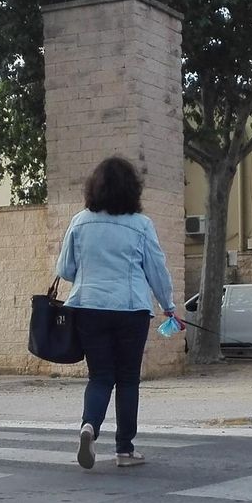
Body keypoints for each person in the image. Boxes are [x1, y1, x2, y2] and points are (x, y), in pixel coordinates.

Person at [56, 155, 175, 470]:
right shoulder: (141, 225)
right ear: (132, 191)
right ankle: (125, 450)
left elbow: (65, 269)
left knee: (99, 377)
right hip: (130, 309)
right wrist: (169, 305)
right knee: (127, 380)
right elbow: (156, 270)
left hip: (88, 308)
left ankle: (89, 427)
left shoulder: (80, 221)